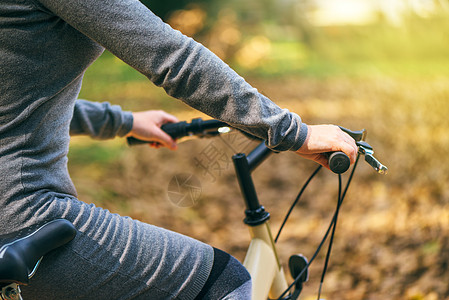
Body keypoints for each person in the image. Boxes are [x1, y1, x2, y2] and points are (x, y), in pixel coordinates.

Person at [0, 0, 357, 299]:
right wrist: (292, 131)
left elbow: (17, 102)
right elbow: (172, 57)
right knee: (225, 283)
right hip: (25, 216)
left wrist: (122, 121)